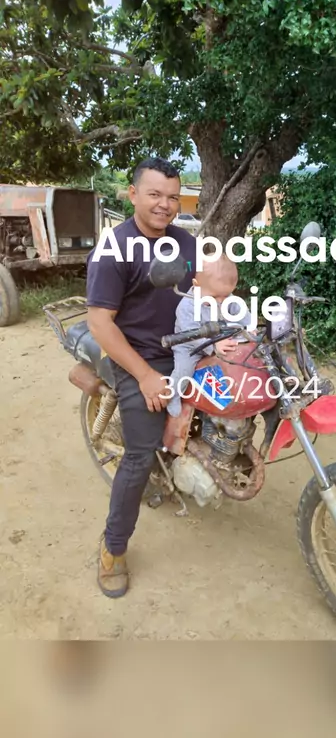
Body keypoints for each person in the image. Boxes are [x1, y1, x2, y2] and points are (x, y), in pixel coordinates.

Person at [86, 156, 197, 598]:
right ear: (133, 194)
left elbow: (203, 292)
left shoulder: (186, 243)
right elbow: (100, 323)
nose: (164, 204)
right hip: (138, 356)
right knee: (139, 453)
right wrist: (147, 375)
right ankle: (113, 547)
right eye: (154, 194)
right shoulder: (112, 249)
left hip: (185, 348)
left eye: (172, 197)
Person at [167, 254, 252, 418]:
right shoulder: (187, 307)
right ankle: (173, 395)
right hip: (189, 345)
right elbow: (190, 335)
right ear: (196, 286)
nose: (220, 302)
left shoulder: (227, 299)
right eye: (214, 297)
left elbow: (241, 312)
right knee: (184, 370)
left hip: (220, 337)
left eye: (226, 296)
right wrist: (212, 345)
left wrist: (250, 327)